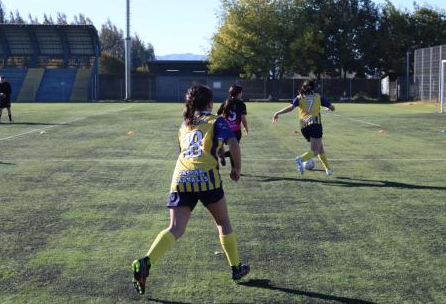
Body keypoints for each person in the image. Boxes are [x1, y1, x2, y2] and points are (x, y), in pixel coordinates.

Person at [131, 84, 249, 295]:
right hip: (206, 179)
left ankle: (146, 262)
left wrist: (216, 150)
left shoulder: (184, 125)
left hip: (181, 178)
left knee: (175, 228)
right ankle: (236, 268)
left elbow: (186, 151)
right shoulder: (216, 120)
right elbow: (234, 144)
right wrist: (236, 169)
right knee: (223, 222)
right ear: (210, 103)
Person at [272, 80, 335, 176]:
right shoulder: (318, 97)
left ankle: (328, 169)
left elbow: (291, 107)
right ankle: (300, 159)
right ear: (313, 88)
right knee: (316, 150)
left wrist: (277, 113)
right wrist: (329, 108)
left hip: (304, 127)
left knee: (320, 147)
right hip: (315, 125)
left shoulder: (299, 97)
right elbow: (332, 107)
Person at [217, 85, 249, 166]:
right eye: (241, 92)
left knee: (221, 146)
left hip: (224, 130)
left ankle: (221, 154)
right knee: (234, 150)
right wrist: (246, 128)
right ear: (238, 93)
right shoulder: (241, 104)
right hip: (235, 131)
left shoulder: (225, 102)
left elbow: (218, 115)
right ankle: (234, 169)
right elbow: (243, 119)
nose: (242, 94)